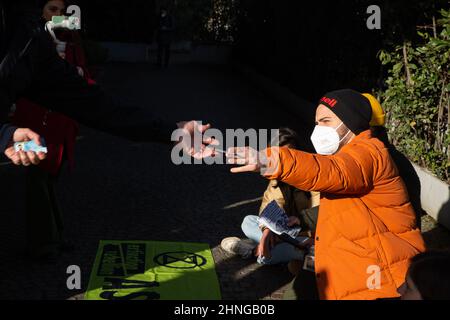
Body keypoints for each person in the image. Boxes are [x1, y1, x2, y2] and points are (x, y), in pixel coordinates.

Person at [227, 89, 426, 300]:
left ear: (350, 122)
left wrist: (271, 160)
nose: (318, 129)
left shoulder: (369, 153)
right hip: (334, 253)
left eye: (326, 121)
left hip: (376, 271)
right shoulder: (345, 154)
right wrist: (296, 221)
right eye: (316, 122)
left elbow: (331, 171)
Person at [10, 0, 96, 259]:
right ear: (41, 13)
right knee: (36, 180)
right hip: (31, 124)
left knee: (48, 181)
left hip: (61, 128)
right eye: (52, 10)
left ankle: (54, 236)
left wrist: (74, 71)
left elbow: (88, 81)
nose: (58, 15)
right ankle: (42, 242)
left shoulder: (71, 43)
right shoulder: (28, 40)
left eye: (62, 10)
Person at [221, 128, 320, 266]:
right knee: (248, 221)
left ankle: (252, 251)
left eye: (288, 154)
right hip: (285, 233)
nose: (283, 160)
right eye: (278, 155)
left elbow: (320, 215)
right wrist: (267, 233)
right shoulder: (276, 181)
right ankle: (275, 250)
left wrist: (310, 236)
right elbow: (270, 210)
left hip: (308, 236)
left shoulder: (313, 176)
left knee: (265, 257)